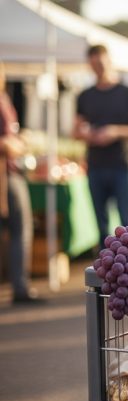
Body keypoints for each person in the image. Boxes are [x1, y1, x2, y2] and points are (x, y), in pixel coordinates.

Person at [73, 45, 128, 244]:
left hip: (121, 165)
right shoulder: (85, 96)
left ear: (110, 61)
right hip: (95, 166)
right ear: (90, 65)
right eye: (94, 64)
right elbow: (76, 131)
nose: (99, 67)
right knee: (101, 226)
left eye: (102, 63)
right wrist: (89, 135)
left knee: (127, 224)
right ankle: (106, 267)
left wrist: (116, 131)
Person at [0, 60, 37, 304]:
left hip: (9, 172)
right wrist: (15, 144)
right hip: (6, 174)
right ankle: (20, 288)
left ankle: (20, 286)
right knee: (20, 231)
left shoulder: (4, 97)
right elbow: (6, 143)